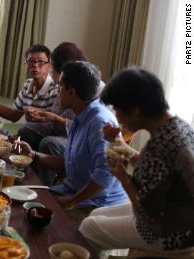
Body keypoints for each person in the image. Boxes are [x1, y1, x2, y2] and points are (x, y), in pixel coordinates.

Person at [79, 68, 194, 257]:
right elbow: (155, 167)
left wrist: (123, 177)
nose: (116, 116)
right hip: (179, 214)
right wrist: (119, 143)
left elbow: (147, 215)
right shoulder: (178, 127)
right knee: (96, 215)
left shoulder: (159, 146)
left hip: (174, 233)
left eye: (117, 109)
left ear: (135, 110)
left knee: (88, 227)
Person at [18, 61, 127, 225]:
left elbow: (105, 175)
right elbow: (70, 163)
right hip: (72, 191)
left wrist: (72, 201)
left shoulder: (99, 122)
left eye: (60, 86)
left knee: (29, 219)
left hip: (95, 204)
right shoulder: (82, 114)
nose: (58, 91)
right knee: (20, 200)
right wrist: (33, 155)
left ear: (72, 92)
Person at [24, 42, 91, 185]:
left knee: (49, 143)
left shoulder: (91, 90)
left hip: (76, 136)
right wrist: (42, 115)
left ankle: (41, 186)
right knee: (27, 130)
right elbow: (55, 112)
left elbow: (86, 130)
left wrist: (55, 118)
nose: (52, 73)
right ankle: (24, 173)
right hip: (58, 128)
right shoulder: (65, 83)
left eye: (53, 68)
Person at [0, 44, 59, 147]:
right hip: (28, 134)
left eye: (40, 62)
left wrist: (40, 116)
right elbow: (14, 116)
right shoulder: (27, 84)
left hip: (44, 139)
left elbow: (53, 125)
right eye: (31, 61)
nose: (35, 65)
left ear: (49, 65)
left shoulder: (55, 89)